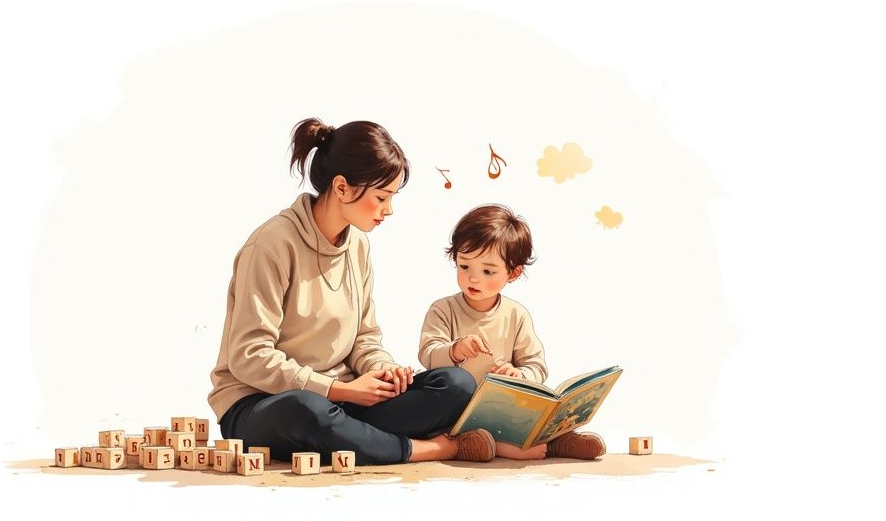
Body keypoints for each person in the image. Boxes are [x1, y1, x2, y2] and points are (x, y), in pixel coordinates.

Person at [207, 118, 495, 465]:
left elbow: (364, 337)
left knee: (456, 384)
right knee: (306, 408)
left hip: (343, 402)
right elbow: (249, 356)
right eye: (381, 197)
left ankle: (354, 439)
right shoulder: (271, 245)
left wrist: (385, 371)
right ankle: (424, 448)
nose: (388, 210)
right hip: (262, 404)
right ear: (342, 188)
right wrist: (336, 390)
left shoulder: (357, 245)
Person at [417, 204, 606, 460]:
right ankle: (509, 448)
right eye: (464, 266)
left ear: (514, 273)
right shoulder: (443, 309)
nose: (473, 278)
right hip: (457, 412)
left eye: (487, 271)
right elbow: (427, 355)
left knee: (535, 415)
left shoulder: (516, 315)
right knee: (450, 425)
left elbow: (536, 366)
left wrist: (519, 375)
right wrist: (454, 349)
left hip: (505, 410)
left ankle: (556, 440)